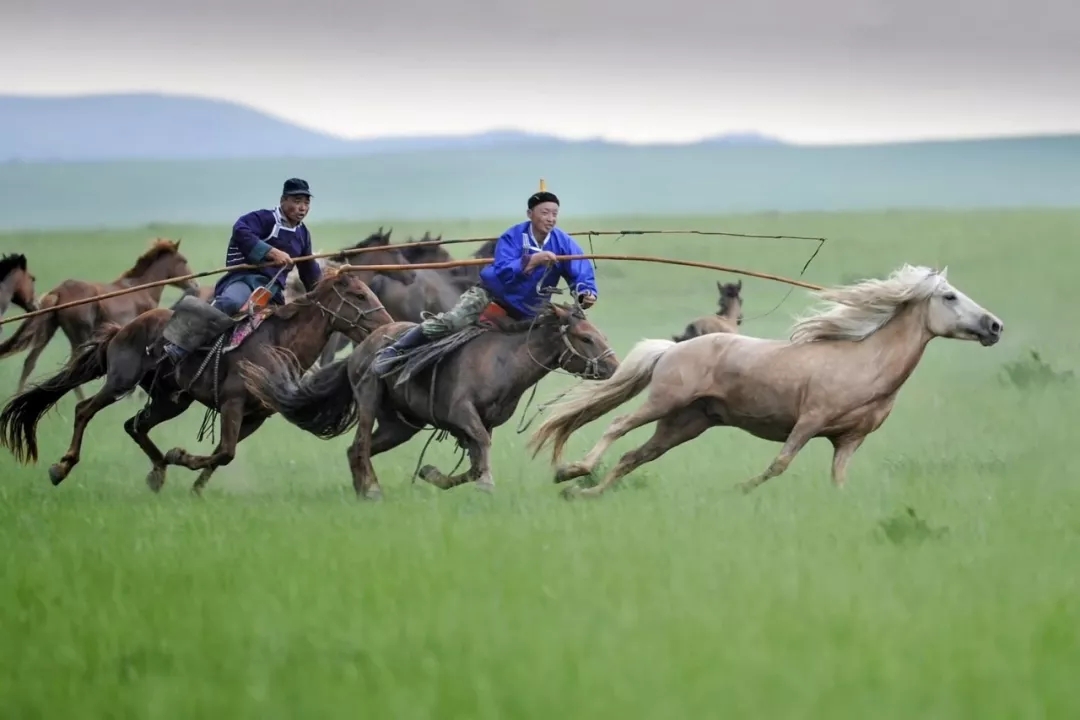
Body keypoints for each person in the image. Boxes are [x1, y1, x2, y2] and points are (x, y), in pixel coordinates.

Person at [373, 185, 598, 373]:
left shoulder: (563, 242)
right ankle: (396, 350)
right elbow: (502, 270)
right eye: (545, 213)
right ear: (530, 214)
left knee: (570, 328)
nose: (550, 219)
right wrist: (532, 260)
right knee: (453, 321)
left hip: (532, 308)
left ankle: (596, 365)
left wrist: (585, 292)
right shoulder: (512, 236)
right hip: (494, 296)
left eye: (554, 214)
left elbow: (579, 267)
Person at [163, 178, 322, 361]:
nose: (302, 207)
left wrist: (325, 288)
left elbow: (309, 270)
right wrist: (271, 252)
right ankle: (181, 346)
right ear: (282, 200)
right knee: (229, 302)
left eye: (306, 203)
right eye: (297, 201)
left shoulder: (303, 235)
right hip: (245, 279)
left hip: (272, 291)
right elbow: (240, 230)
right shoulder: (264, 218)